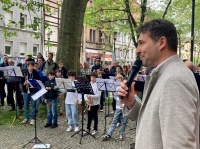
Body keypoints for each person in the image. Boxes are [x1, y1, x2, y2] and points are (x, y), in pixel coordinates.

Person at [118, 19, 199, 148]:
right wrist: (132, 103)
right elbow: (155, 122)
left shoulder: (175, 79)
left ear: (161, 42)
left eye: (142, 43)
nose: (137, 50)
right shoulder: (164, 74)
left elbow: (180, 145)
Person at [103, 74, 127, 141]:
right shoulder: (115, 87)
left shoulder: (124, 87)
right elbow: (115, 97)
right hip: (118, 106)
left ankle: (121, 134)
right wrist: (115, 95)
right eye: (117, 79)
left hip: (124, 107)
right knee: (114, 121)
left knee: (123, 121)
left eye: (119, 79)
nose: (118, 80)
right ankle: (109, 134)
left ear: (121, 80)